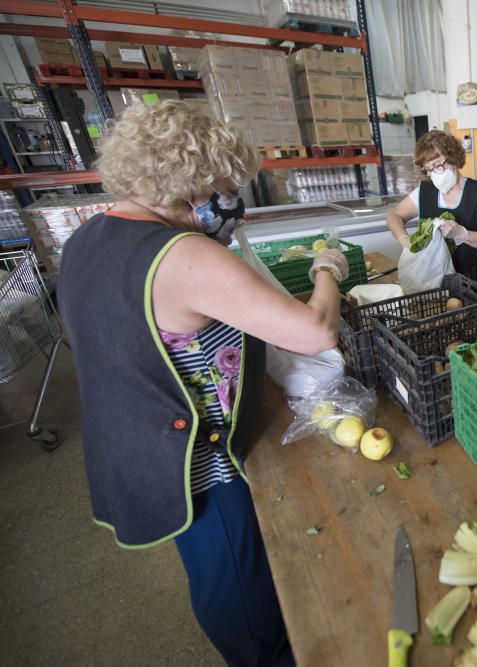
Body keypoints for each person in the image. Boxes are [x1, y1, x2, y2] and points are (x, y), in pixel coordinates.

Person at [58, 100, 348, 666]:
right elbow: (314, 331)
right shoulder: (182, 254)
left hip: (136, 452)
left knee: (213, 570)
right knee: (237, 587)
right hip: (199, 467)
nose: (227, 197)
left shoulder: (88, 237)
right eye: (221, 183)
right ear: (189, 180)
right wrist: (326, 270)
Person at [386, 130, 477, 287]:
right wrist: (405, 240)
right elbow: (394, 216)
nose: (432, 174)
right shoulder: (425, 191)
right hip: (434, 279)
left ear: (452, 158)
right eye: (428, 169)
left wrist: (462, 234)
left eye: (437, 165)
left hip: (473, 280)